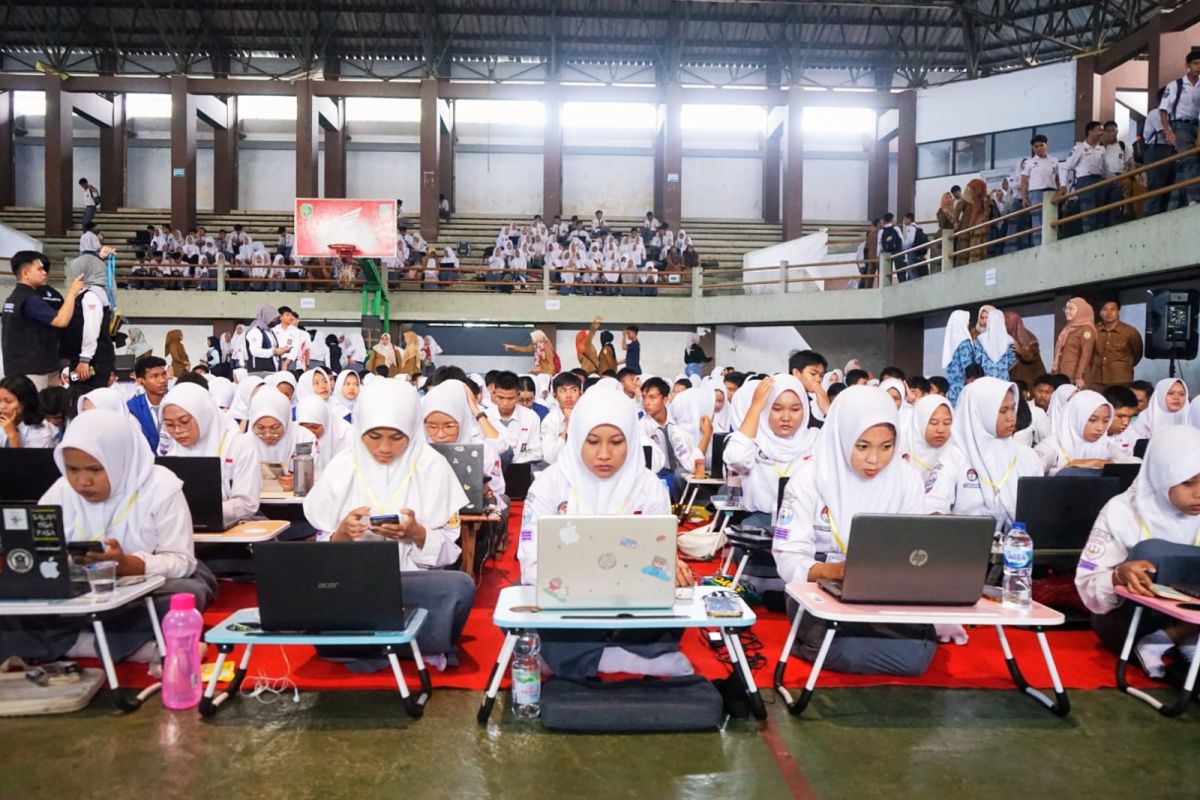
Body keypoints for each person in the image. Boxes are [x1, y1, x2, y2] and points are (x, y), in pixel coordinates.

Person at [0, 409, 215, 665]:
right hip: (78, 589)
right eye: (72, 469)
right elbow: (38, 549)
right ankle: (121, 648)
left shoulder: (161, 487)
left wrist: (129, 565)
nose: (82, 481)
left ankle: (69, 644)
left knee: (187, 593)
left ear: (119, 459)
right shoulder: (61, 491)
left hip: (142, 588)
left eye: (94, 469)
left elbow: (181, 560)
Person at [517, 382, 692, 680]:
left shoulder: (648, 485)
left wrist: (669, 567)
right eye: (593, 441)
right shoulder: (549, 484)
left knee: (674, 604)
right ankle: (631, 659)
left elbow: (658, 554)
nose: (604, 454)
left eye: (616, 442)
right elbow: (531, 561)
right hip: (566, 601)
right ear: (576, 440)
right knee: (535, 617)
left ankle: (578, 658)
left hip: (631, 601)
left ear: (632, 441)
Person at [302, 379, 475, 664]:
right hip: (354, 582)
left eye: (396, 437)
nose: (384, 448)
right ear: (360, 430)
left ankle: (358, 643)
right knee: (306, 583)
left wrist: (418, 534)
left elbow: (449, 552)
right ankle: (411, 643)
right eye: (374, 436)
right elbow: (322, 554)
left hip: (409, 582)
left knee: (460, 586)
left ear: (412, 430)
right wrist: (342, 535)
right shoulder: (342, 467)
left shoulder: (432, 466)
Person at [773, 385, 935, 676]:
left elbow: (916, 548)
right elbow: (788, 559)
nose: (875, 459)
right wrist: (833, 572)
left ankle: (829, 644)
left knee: (916, 654)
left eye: (886, 447)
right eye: (862, 446)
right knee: (851, 648)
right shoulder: (808, 479)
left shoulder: (907, 480)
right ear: (842, 437)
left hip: (885, 591)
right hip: (819, 591)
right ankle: (814, 642)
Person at [1076, 427, 1200, 678]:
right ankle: (1167, 641)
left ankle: (1178, 639)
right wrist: (1116, 576)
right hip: (1127, 620)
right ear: (1162, 475)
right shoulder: (1120, 512)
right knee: (1152, 552)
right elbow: (1086, 582)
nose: (1198, 493)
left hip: (1191, 616)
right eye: (1187, 482)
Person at [927, 377, 1042, 533]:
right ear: (979, 413)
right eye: (1002, 411)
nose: (1011, 417)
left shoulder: (1026, 456)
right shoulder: (954, 458)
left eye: (1012, 408)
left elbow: (1039, 510)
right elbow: (933, 508)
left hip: (1018, 548)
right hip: (967, 546)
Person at [160, 383, 262, 526]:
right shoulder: (170, 452)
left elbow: (247, 504)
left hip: (232, 537)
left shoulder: (238, 445)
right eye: (169, 425)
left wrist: (192, 510)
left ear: (203, 416)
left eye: (184, 422)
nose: (177, 430)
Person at [723, 375, 818, 527]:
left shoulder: (814, 440)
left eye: (795, 409)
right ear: (765, 409)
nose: (786, 417)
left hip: (805, 523)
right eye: (777, 409)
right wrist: (755, 408)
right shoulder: (755, 442)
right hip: (760, 523)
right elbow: (736, 460)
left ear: (805, 410)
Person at [2, 251, 83, 389]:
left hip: (22, 367)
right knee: (36, 408)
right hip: (33, 371)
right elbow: (61, 320)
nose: (44, 272)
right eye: (39, 269)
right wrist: (72, 292)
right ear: (26, 273)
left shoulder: (14, 298)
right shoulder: (30, 300)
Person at [1035, 390, 1133, 475]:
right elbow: (1031, 471)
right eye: (1092, 420)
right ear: (1075, 418)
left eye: (1106, 421)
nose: (1100, 428)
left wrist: (1093, 463)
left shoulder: (1105, 445)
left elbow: (1134, 463)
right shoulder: (1052, 446)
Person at [240, 389, 318, 493]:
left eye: (275, 427)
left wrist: (301, 483)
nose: (268, 434)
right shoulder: (245, 442)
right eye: (260, 428)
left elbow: (320, 477)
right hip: (255, 505)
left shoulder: (304, 438)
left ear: (285, 420)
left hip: (297, 505)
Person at [62, 247, 117, 387]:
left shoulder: (91, 296)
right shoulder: (97, 293)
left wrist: (85, 360)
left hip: (91, 362)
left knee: (82, 395)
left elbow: (91, 328)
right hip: (90, 358)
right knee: (77, 389)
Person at [486, 371, 542, 498]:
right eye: (500, 397)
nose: (505, 403)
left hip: (520, 469)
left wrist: (512, 460)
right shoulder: (485, 417)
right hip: (491, 471)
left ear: (517, 395)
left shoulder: (531, 417)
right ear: (493, 393)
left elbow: (537, 452)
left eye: (510, 398)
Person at [1158, 49, 1200, 210]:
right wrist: (1168, 130)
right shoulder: (1175, 85)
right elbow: (1163, 110)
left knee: (1184, 165)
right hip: (1180, 126)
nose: (1199, 67)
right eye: (1195, 64)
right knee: (1189, 161)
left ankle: (1173, 205)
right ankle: (1194, 200)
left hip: (1196, 125)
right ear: (1187, 66)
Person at [900, 394, 955, 489]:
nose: (941, 429)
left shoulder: (956, 454)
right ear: (919, 422)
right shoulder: (902, 452)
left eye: (947, 423)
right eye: (933, 422)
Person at [1062, 121, 1108, 233]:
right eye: (1099, 130)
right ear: (1090, 131)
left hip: (1099, 180)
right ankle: (1088, 234)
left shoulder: (1101, 149)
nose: (1102, 133)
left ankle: (1100, 233)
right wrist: (1063, 185)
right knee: (1088, 209)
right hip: (1084, 180)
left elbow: (1105, 169)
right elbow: (1065, 167)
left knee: (1101, 208)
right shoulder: (1079, 148)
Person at [1091, 299, 1143, 390]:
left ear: (1118, 312)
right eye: (1105, 310)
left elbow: (1137, 353)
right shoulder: (1094, 331)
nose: (1108, 313)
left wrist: (1123, 366)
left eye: (1112, 310)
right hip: (1097, 380)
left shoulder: (1130, 332)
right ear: (1100, 313)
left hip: (1121, 380)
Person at [1019, 134, 1061, 247]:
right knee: (1037, 219)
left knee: (1052, 217)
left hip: (1051, 191)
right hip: (1036, 192)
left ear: (1046, 145)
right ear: (1033, 148)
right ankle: (1038, 244)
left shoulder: (1054, 160)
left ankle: (1052, 242)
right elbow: (1023, 181)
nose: (1039, 148)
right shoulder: (1029, 162)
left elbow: (1057, 179)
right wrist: (1024, 197)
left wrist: (1060, 192)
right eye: (1036, 146)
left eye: (1041, 145)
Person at [296, 396, 353, 473]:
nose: (310, 433)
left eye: (314, 427)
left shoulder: (347, 434)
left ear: (326, 422)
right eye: (305, 429)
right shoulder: (296, 432)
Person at [126, 356, 170, 453]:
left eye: (164, 374)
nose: (163, 380)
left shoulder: (176, 401)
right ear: (141, 382)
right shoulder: (132, 407)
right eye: (155, 376)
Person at [539, 371, 583, 465]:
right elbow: (549, 458)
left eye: (574, 390)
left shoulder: (588, 416)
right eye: (563, 391)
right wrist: (568, 425)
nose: (569, 395)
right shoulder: (550, 420)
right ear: (555, 396)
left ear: (580, 394)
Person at [1052, 297, 1096, 389]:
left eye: (1071, 308)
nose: (1067, 311)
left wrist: (1079, 376)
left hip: (1075, 378)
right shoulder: (1068, 329)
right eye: (1066, 308)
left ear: (1082, 311)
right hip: (1062, 375)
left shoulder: (1086, 330)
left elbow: (1085, 355)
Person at [0, 375, 55, 448]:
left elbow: (16, 459)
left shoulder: (41, 433)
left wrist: (12, 435)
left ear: (25, 402)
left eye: (8, 402)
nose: (2, 407)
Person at [1003, 310, 1046, 390]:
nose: (1005, 325)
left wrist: (1021, 351)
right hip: (1012, 381)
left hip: (1029, 379)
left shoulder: (1028, 338)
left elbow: (1033, 355)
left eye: (1007, 322)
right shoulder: (1005, 339)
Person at [972, 305, 1016, 380]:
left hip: (986, 377)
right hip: (1003, 378)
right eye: (982, 318)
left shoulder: (981, 339)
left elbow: (977, 359)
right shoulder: (1009, 340)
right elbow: (1011, 360)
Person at [941, 309, 975, 406]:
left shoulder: (952, 342)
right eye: (967, 320)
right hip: (963, 389)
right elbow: (968, 367)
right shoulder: (964, 342)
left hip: (952, 390)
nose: (968, 323)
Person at [246, 305, 287, 374]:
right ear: (266, 317)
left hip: (272, 370)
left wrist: (281, 350)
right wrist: (274, 352)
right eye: (273, 318)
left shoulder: (269, 331)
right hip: (260, 372)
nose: (276, 321)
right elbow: (255, 351)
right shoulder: (255, 331)